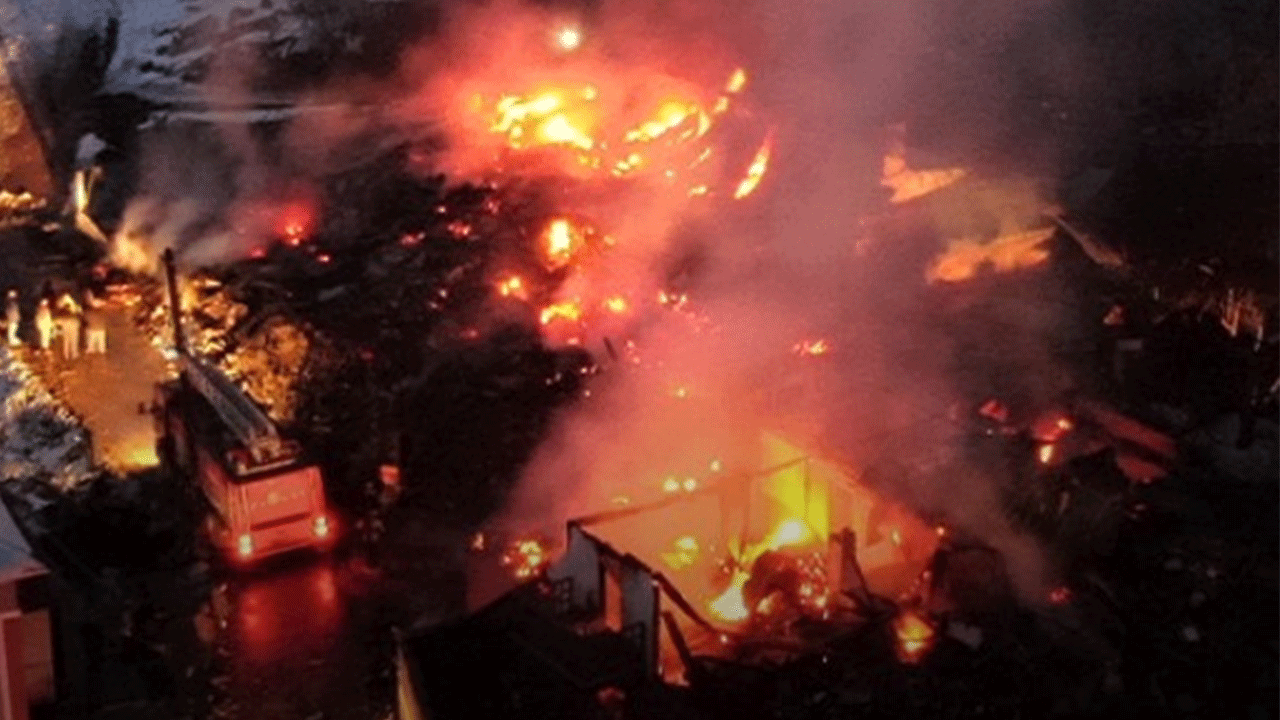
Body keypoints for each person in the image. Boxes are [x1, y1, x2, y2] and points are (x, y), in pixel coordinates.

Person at [54, 292, 81, 360]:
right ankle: (72, 354)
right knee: (72, 341)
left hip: (69, 327)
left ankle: (67, 355)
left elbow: (57, 322)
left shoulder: (63, 312)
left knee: (67, 342)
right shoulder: (72, 312)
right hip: (72, 326)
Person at [83, 289, 106, 354]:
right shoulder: (102, 313)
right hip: (100, 330)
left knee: (91, 349)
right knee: (101, 349)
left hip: (92, 330)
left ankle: (93, 361)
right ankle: (101, 361)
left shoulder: (90, 313)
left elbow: (86, 319)